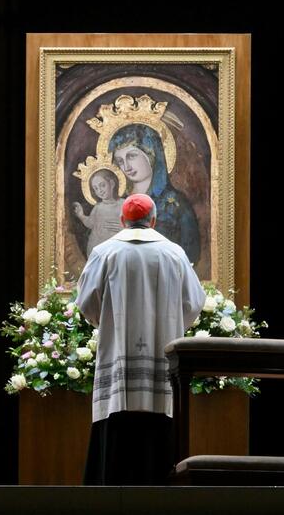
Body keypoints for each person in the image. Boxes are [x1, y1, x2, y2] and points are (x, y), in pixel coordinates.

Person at [75, 193, 205, 485]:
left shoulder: (105, 252)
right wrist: (173, 325)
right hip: (161, 359)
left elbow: (86, 302)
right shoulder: (174, 254)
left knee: (117, 432)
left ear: (122, 220)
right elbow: (194, 302)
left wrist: (103, 321)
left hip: (118, 356)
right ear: (154, 220)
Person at [109, 124, 201, 266]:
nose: (126, 167)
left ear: (151, 154)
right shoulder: (116, 202)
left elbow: (190, 256)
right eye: (120, 161)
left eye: (132, 156)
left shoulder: (176, 204)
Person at [72, 168, 125, 257]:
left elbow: (134, 224)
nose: (99, 190)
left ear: (112, 184)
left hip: (118, 249)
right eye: (96, 188)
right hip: (98, 248)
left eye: (102, 185)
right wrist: (81, 215)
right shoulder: (98, 207)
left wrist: (124, 229)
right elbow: (90, 223)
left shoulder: (124, 204)